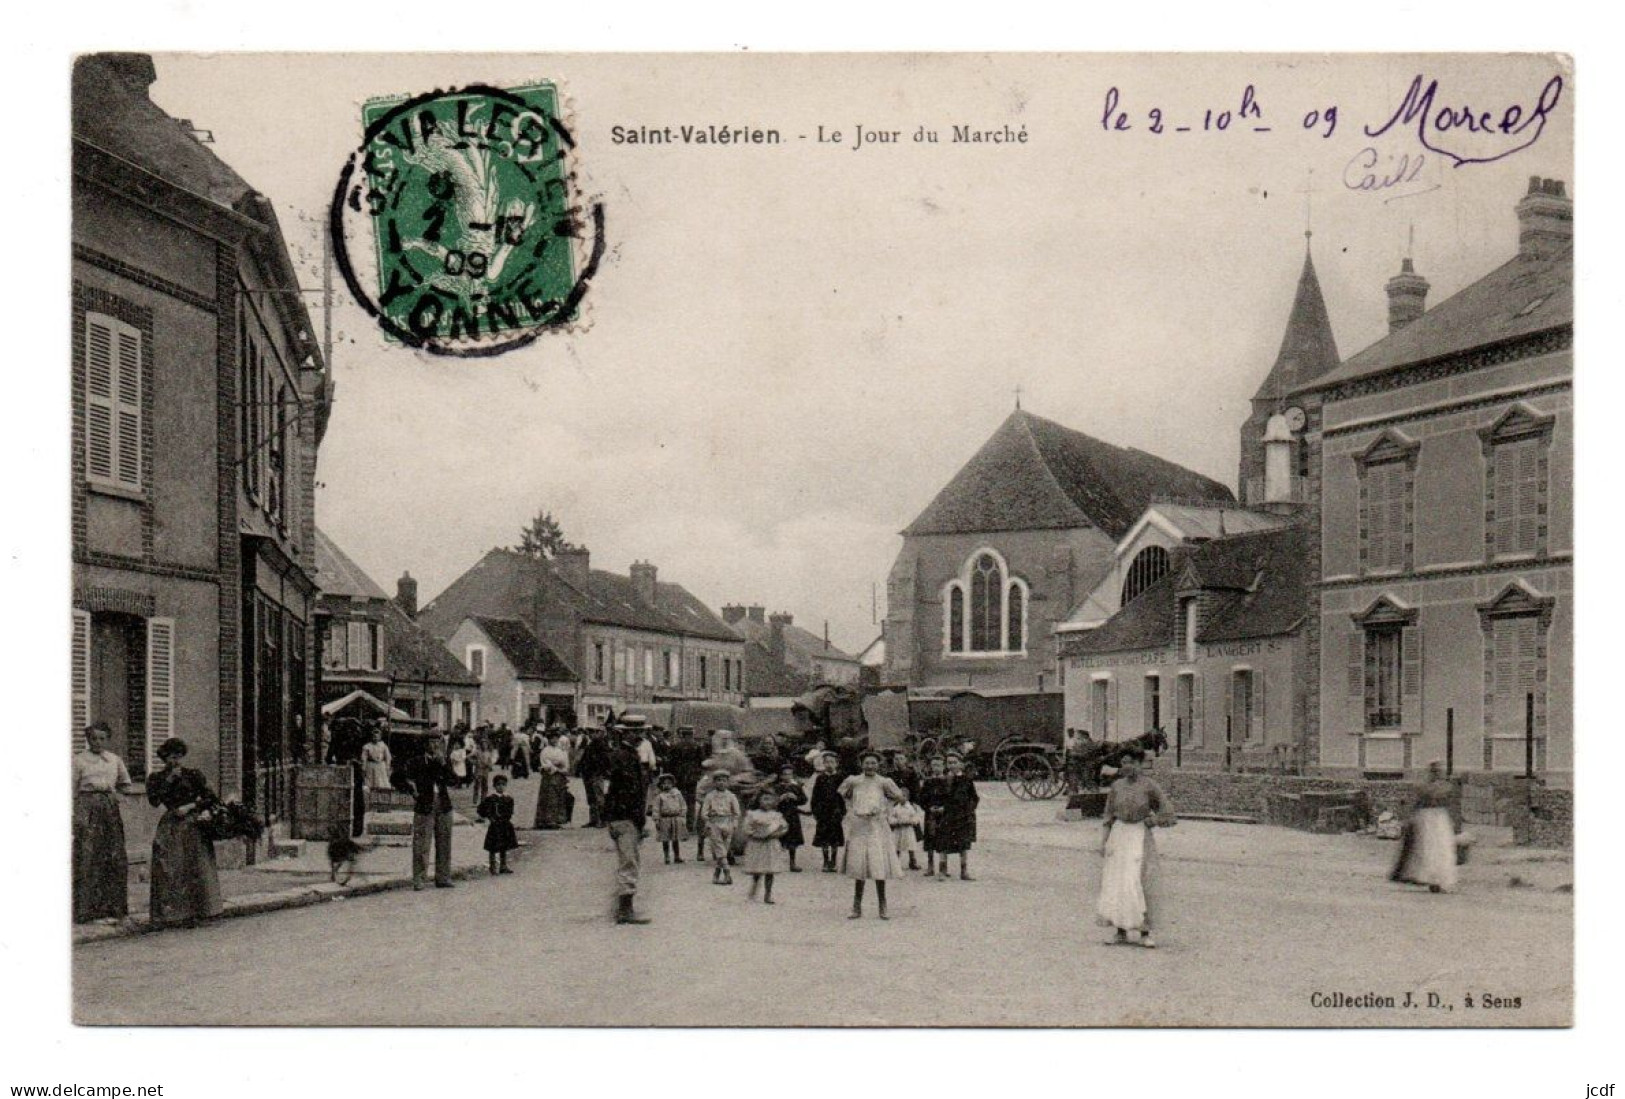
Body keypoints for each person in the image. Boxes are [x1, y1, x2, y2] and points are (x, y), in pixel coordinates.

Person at [1095, 749, 1174, 948]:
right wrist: (1104, 841)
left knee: (1140, 881)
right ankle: (1120, 930)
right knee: (1118, 882)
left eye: (1131, 762)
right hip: (1119, 835)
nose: (1126, 767)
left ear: (1140, 764)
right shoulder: (1117, 786)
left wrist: (1153, 820)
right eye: (1123, 763)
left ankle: (1145, 931)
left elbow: (1168, 812)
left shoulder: (1149, 786)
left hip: (1139, 836)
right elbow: (1108, 816)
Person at [146, 737, 224, 926]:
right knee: (169, 866)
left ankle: (201, 911)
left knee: (196, 865)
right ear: (164, 758)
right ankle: (172, 914)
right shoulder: (155, 779)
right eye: (171, 757)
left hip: (192, 824)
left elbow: (211, 798)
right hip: (171, 825)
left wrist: (190, 806)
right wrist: (168, 781)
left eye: (179, 756)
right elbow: (154, 801)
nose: (175, 761)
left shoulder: (193, 775)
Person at [73, 722, 133, 922]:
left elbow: (126, 785)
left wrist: (116, 796)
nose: (97, 742)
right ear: (88, 740)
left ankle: (113, 908)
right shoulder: (79, 760)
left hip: (109, 809)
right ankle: (87, 910)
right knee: (88, 856)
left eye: (102, 738)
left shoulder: (114, 760)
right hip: (87, 807)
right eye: (93, 738)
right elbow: (71, 789)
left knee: (113, 855)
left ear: (107, 740)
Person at [839, 750, 906, 919]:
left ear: (879, 765)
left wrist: (884, 808)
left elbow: (899, 797)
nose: (870, 766)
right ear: (861, 764)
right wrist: (853, 810)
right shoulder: (853, 781)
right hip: (859, 826)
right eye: (867, 763)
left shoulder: (884, 782)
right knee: (859, 866)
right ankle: (856, 906)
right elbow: (842, 795)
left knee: (878, 865)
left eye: (874, 763)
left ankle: (883, 906)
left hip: (877, 827)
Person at [603, 726, 652, 924]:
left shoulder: (622, 755)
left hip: (621, 816)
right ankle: (625, 910)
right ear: (626, 734)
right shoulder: (626, 758)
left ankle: (621, 907)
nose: (640, 736)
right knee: (629, 862)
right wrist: (638, 819)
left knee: (629, 860)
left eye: (641, 732)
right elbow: (628, 792)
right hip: (626, 817)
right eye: (636, 732)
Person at [1391, 761, 1459, 894]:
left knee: (1439, 848)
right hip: (1430, 818)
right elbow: (1420, 801)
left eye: (1437, 771)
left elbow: (1449, 803)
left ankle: (1438, 879)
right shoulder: (1435, 787)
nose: (1435, 774)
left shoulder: (1436, 787)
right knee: (1430, 849)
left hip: (1437, 818)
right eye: (1434, 771)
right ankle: (1433, 879)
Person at [406, 737, 456, 890]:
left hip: (443, 803)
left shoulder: (443, 761)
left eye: (438, 742)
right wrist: (413, 791)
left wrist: (443, 765)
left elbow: (453, 781)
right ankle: (419, 878)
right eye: (432, 741)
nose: (435, 745)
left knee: (444, 842)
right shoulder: (417, 761)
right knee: (422, 843)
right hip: (425, 803)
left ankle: (443, 877)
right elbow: (407, 779)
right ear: (425, 744)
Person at [935, 753, 980, 881]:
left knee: (963, 844)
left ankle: (964, 871)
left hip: (963, 816)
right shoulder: (944, 780)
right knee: (944, 843)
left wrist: (970, 810)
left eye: (955, 762)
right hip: (948, 816)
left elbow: (974, 797)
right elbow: (939, 797)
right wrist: (940, 807)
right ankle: (942, 871)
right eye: (949, 763)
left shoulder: (967, 780)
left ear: (961, 764)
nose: (952, 765)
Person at [741, 790, 789, 903]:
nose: (767, 802)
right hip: (757, 844)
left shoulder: (776, 815)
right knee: (757, 870)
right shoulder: (753, 814)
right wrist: (756, 834)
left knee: (770, 870)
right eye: (764, 799)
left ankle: (768, 894)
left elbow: (784, 827)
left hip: (771, 844)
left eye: (770, 799)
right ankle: (753, 891)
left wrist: (776, 834)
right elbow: (746, 828)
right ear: (759, 801)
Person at [700, 771, 742, 886]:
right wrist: (708, 822)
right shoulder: (710, 796)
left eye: (724, 780)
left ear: (727, 782)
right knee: (719, 849)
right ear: (714, 782)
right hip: (714, 823)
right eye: (718, 780)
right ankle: (728, 874)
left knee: (724, 849)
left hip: (727, 823)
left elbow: (737, 813)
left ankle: (716, 874)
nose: (721, 783)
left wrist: (734, 823)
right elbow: (704, 813)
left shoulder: (731, 796)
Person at [810, 751, 846, 872]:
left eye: (832, 762)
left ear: (837, 764)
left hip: (836, 811)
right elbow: (815, 795)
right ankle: (825, 861)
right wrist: (815, 810)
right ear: (823, 764)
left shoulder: (840, 778)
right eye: (826, 762)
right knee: (824, 838)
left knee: (835, 838)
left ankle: (833, 861)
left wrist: (842, 811)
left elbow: (844, 796)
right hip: (823, 812)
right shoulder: (820, 778)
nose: (829, 764)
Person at [477, 774, 519, 875]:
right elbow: (481, 810)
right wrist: (490, 817)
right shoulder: (491, 799)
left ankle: (503, 865)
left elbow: (510, 811)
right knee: (493, 846)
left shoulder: (508, 799)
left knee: (504, 846)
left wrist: (507, 818)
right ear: (494, 786)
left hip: (504, 824)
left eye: (503, 785)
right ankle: (493, 866)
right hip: (495, 825)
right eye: (498, 784)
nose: (501, 787)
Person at [769, 764, 807, 872]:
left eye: (789, 774)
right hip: (780, 815)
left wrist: (795, 797)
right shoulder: (777, 787)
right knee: (778, 838)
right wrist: (780, 799)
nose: (787, 777)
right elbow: (770, 801)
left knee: (793, 840)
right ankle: (775, 862)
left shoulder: (796, 787)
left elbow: (804, 800)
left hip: (792, 815)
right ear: (781, 776)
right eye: (785, 774)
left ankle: (792, 863)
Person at [916, 755, 949, 875]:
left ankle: (943, 868)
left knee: (943, 840)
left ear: (943, 766)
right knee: (930, 839)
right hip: (930, 814)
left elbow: (950, 798)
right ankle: (930, 867)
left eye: (939, 765)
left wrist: (944, 808)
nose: (936, 768)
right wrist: (928, 808)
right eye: (934, 765)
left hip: (943, 814)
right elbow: (921, 798)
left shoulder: (947, 781)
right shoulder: (928, 781)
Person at [534, 734, 571, 829]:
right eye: (552, 738)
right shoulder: (545, 751)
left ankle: (556, 819)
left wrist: (561, 768)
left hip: (560, 776)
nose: (554, 740)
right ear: (549, 739)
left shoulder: (561, 751)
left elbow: (566, 764)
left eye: (556, 738)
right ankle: (545, 820)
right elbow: (546, 764)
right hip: (549, 776)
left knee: (558, 798)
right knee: (549, 798)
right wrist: (556, 766)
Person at [578, 728, 612, 827]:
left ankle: (602, 820)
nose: (591, 734)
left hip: (596, 774)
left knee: (599, 798)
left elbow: (606, 761)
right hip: (588, 774)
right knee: (591, 798)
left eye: (594, 732)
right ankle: (593, 820)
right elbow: (584, 759)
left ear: (600, 733)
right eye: (591, 732)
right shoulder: (590, 745)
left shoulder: (601, 745)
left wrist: (602, 771)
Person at [652, 774, 688, 864]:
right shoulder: (660, 796)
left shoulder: (677, 794)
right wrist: (656, 819)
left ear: (673, 784)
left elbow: (683, 805)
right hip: (665, 819)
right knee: (665, 839)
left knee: (675, 838)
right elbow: (656, 808)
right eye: (664, 783)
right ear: (661, 785)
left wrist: (682, 816)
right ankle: (667, 856)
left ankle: (677, 856)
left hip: (676, 818)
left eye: (669, 783)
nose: (667, 785)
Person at [889, 787, 925, 871]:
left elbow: (916, 817)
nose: (902, 798)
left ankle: (912, 861)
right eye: (900, 796)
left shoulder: (910, 807)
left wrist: (910, 821)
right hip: (899, 829)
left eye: (904, 796)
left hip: (908, 829)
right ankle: (896, 863)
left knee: (910, 845)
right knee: (896, 846)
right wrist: (896, 821)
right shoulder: (895, 808)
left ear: (908, 797)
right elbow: (890, 818)